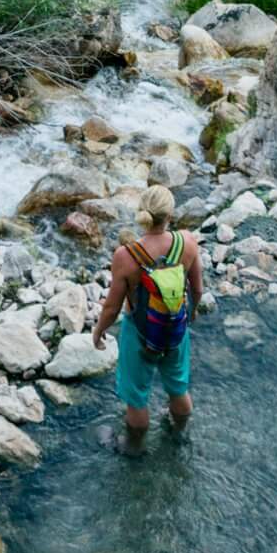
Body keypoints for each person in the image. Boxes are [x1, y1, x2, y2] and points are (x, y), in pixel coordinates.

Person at [91, 189, 210, 451]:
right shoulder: (187, 243)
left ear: (141, 215)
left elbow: (111, 307)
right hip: (176, 331)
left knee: (136, 396)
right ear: (170, 215)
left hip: (140, 334)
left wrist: (99, 332)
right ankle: (178, 433)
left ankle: (134, 447)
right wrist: (191, 313)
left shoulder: (126, 256)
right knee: (178, 387)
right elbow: (197, 289)